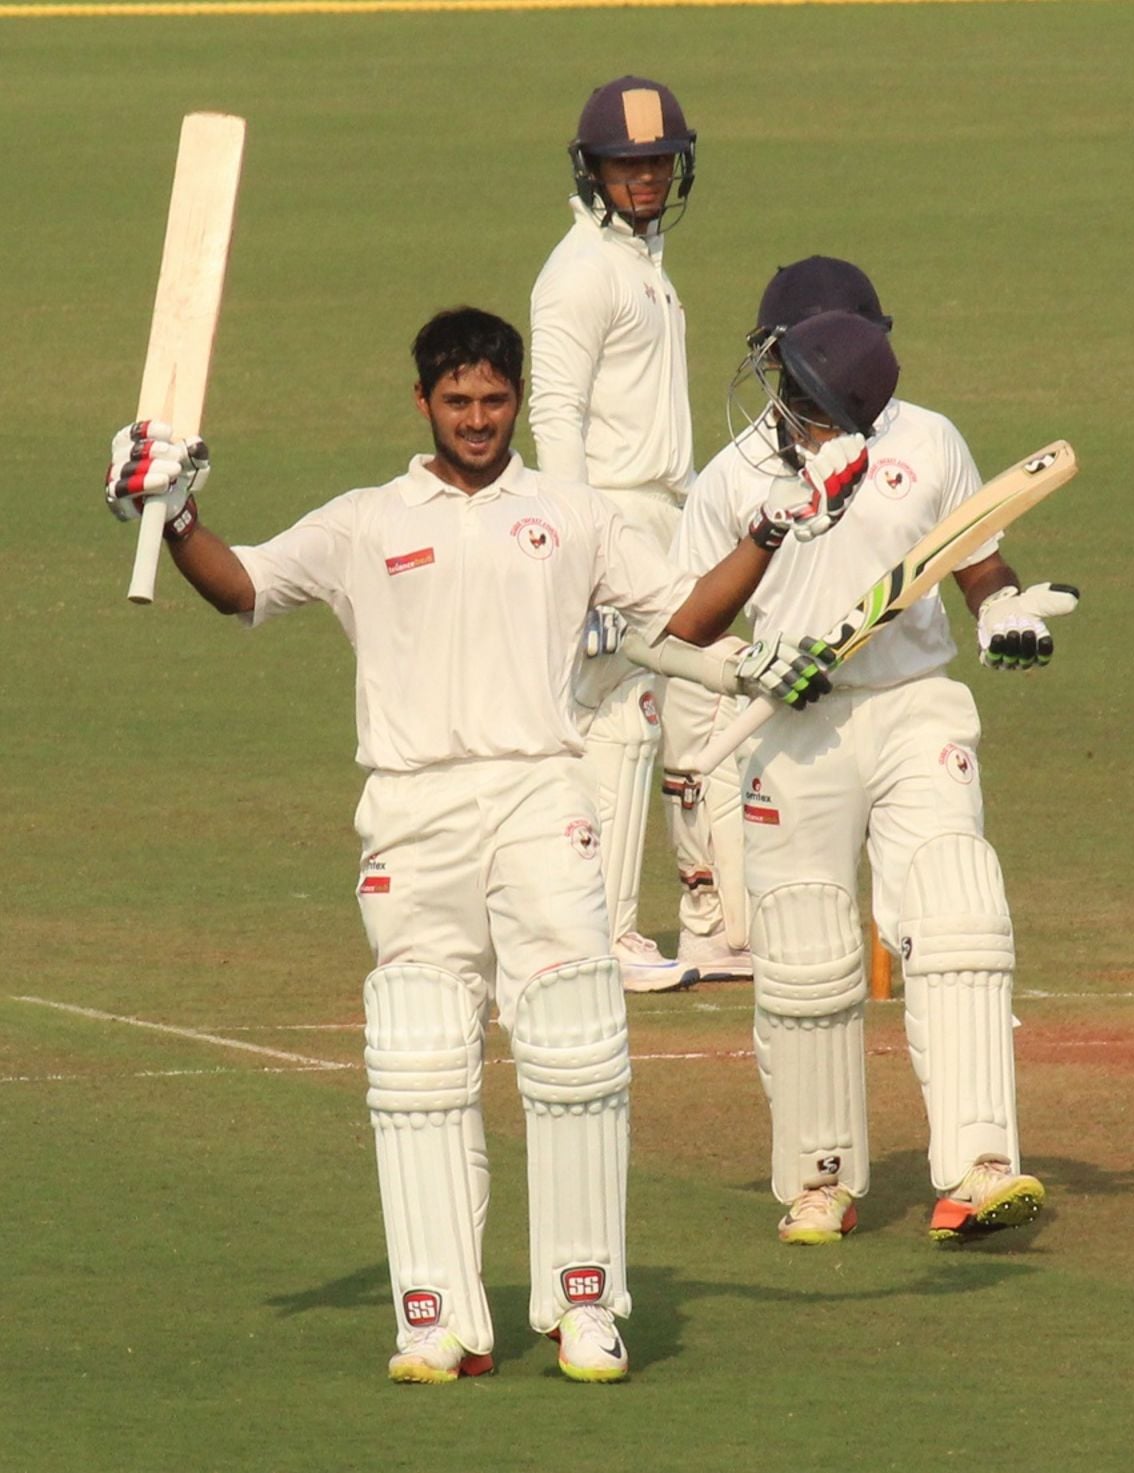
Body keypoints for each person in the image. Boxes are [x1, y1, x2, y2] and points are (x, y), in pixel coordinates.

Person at [103, 306, 865, 1384]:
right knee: (417, 1055)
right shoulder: (363, 521)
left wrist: (770, 532)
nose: (476, 418)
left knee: (574, 1046)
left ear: (514, 402)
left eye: (495, 400)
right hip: (411, 809)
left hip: (539, 793)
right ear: (422, 401)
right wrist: (176, 517)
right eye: (456, 400)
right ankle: (437, 1316)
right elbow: (246, 587)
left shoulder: (572, 513)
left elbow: (685, 623)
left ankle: (585, 1305)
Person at [671, 258, 1078, 1245]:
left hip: (912, 705)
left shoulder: (925, 439)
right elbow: (685, 627)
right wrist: (759, 665)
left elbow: (974, 556)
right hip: (794, 728)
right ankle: (821, 1180)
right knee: (807, 951)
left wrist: (1001, 610)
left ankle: (979, 1167)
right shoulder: (734, 481)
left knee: (956, 911)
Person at [530, 75, 747, 992]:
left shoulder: (643, 264)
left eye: (659, 161)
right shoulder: (578, 273)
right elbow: (555, 412)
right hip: (609, 516)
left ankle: (713, 926)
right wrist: (577, 556)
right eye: (629, 165)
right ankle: (604, 935)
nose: (648, 179)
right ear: (594, 173)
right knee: (622, 715)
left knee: (706, 708)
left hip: (668, 512)